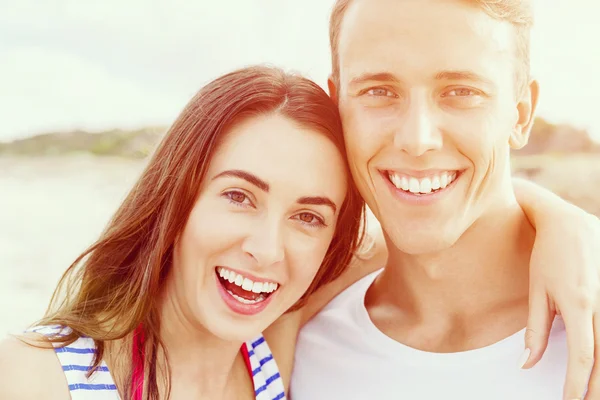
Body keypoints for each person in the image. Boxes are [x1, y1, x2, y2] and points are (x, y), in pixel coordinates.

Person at [290, 0, 600, 399]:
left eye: (461, 92)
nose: (417, 140)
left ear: (521, 113)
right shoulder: (297, 341)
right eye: (379, 91)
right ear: (338, 109)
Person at [0, 66, 365, 399]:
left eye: (308, 217)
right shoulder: (34, 377)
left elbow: (406, 239)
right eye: (239, 196)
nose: (268, 250)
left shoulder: (272, 342)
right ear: (176, 199)